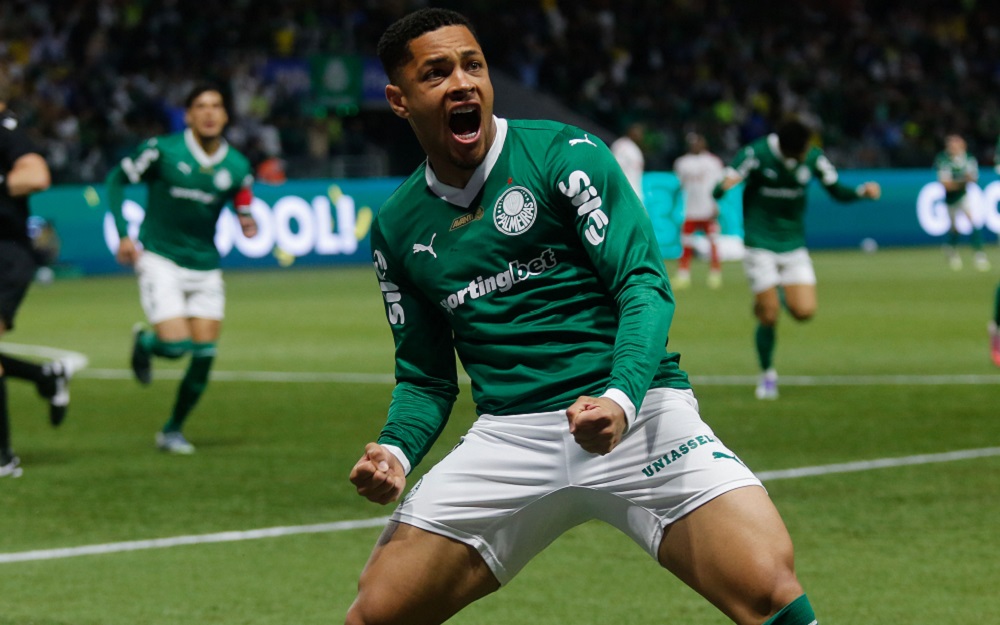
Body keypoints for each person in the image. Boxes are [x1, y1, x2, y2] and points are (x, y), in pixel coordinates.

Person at [347, 10, 818, 625]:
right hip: (510, 436)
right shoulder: (397, 227)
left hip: (638, 411)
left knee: (769, 588)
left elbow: (643, 286)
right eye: (436, 73)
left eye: (473, 65)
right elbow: (426, 377)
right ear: (399, 100)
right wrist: (396, 452)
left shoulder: (564, 155)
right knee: (375, 613)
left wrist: (620, 399)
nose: (462, 83)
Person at [105, 84, 257, 454]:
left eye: (216, 106)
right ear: (188, 115)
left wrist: (246, 219)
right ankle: (146, 343)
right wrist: (124, 235)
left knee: (203, 356)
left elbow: (242, 197)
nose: (209, 113)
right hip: (160, 258)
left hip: (205, 265)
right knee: (175, 347)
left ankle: (172, 430)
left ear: (225, 115)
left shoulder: (237, 165)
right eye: (200, 106)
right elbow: (116, 180)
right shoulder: (162, 150)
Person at [713, 117, 881, 400]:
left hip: (793, 245)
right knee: (769, 316)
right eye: (801, 151)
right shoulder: (756, 154)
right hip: (759, 244)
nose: (806, 155)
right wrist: (723, 186)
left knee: (804, 311)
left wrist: (862, 192)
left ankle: (772, 293)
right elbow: (718, 189)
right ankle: (767, 375)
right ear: (786, 148)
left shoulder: (813, 157)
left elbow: (836, 190)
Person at [0, 99, 73, 478]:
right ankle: (44, 376)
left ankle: (3, 459)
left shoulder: (6, 132)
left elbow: (37, 175)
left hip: (5, 253)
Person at [673, 132, 725, 289]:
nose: (695, 145)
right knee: (686, 243)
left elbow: (719, 185)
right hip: (690, 209)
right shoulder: (682, 163)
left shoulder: (713, 162)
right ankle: (683, 275)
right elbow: (681, 184)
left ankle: (715, 273)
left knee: (713, 241)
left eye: (698, 142)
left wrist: (716, 205)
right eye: (692, 142)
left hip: (708, 209)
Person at [935, 134, 988, 271]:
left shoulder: (968, 158)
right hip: (950, 198)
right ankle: (952, 250)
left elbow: (973, 179)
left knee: (972, 221)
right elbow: (946, 184)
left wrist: (957, 182)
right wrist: (963, 181)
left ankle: (979, 253)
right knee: (954, 228)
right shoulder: (943, 159)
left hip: (964, 195)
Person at [610, 122, 645, 202]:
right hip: (623, 191)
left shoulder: (635, 149)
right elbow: (615, 167)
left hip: (635, 191)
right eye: (636, 132)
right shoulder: (621, 145)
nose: (638, 135)